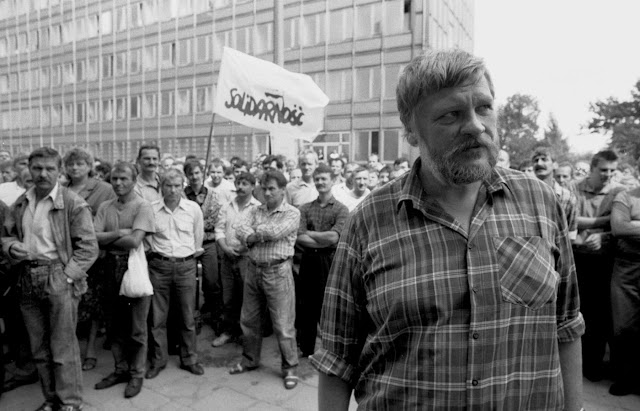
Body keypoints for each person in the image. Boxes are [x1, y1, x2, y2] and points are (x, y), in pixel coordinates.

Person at [311, 49, 584, 410]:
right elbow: (336, 356)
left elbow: (566, 325)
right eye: (451, 114)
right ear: (411, 130)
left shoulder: (541, 203)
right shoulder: (369, 220)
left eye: (483, 107)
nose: (475, 125)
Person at [2, 147, 99, 411]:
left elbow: (88, 248)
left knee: (63, 348)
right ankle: (51, 399)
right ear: (30, 170)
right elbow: (7, 235)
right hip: (27, 277)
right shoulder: (22, 202)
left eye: (49, 168)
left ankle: (70, 403)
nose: (42, 174)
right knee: (39, 349)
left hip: (58, 275)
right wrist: (11, 247)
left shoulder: (72, 202)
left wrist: (67, 278)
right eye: (37, 168)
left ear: (59, 171)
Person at [228, 170, 301, 390]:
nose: (267, 193)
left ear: (282, 190)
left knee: (283, 324)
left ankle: (290, 368)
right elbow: (237, 227)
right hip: (253, 269)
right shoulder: (255, 210)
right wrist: (255, 234)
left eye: (272, 188)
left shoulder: (292, 213)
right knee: (249, 320)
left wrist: (253, 235)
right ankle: (250, 360)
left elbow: (276, 232)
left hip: (277, 271)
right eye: (264, 188)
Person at [93, 162, 155, 398]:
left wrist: (106, 239)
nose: (118, 183)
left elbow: (134, 242)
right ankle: (120, 370)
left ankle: (136, 374)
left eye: (124, 179)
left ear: (134, 180)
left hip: (133, 268)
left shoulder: (143, 206)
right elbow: (92, 237)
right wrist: (119, 233)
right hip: (108, 269)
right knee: (115, 325)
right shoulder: (105, 206)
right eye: (114, 179)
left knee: (137, 328)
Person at [145, 168, 205, 379]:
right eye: (168, 186)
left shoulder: (193, 208)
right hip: (159, 266)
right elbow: (148, 238)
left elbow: (198, 237)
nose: (173, 190)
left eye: (177, 186)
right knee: (157, 317)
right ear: (161, 186)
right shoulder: (150, 209)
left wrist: (186, 258)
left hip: (186, 266)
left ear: (183, 186)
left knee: (187, 316)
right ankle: (158, 360)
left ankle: (189, 358)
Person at [573, 150, 625, 381]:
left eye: (612, 171)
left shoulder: (617, 191)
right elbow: (571, 219)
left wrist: (603, 235)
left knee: (600, 315)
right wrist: (607, 221)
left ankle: (593, 365)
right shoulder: (575, 187)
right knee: (578, 311)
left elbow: (620, 226)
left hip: (605, 260)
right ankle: (578, 364)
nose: (608, 175)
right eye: (603, 170)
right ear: (593, 169)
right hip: (577, 258)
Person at [63, 147, 116, 372]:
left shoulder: (103, 189)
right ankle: (71, 351)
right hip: (66, 255)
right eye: (71, 164)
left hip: (94, 255)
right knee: (69, 305)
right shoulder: (60, 189)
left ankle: (91, 350)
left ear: (89, 166)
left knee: (93, 305)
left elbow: (113, 217)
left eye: (80, 163)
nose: (75, 168)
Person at [296, 164, 348, 356]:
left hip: (329, 262)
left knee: (327, 305)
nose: (320, 182)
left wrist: (310, 233)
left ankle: (330, 349)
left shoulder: (341, 209)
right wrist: (321, 238)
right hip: (309, 261)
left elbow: (334, 238)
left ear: (332, 181)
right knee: (306, 305)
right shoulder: (305, 208)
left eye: (324, 178)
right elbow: (299, 237)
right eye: (317, 179)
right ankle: (306, 348)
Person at [212, 171, 261, 347]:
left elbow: (257, 233)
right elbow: (218, 230)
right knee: (228, 297)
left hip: (246, 259)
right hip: (227, 257)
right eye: (238, 183)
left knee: (247, 298)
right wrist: (225, 248)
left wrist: (243, 248)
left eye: (245, 183)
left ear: (253, 186)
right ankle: (227, 332)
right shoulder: (227, 206)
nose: (240, 187)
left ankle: (246, 335)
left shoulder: (258, 208)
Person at [609, 159, 640, 396]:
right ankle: (624, 379)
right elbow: (619, 228)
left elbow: (629, 227)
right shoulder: (625, 197)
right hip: (626, 268)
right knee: (623, 326)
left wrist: (635, 225)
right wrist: (629, 225)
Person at [184, 160, 223, 329]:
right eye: (191, 174)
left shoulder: (212, 194)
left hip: (208, 242)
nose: (194, 177)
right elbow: (182, 220)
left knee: (211, 280)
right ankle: (192, 316)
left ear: (203, 174)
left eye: (197, 173)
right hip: (187, 243)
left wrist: (197, 221)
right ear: (186, 176)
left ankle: (214, 314)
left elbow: (214, 218)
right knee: (190, 282)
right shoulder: (181, 194)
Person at [531, 144, 578, 240]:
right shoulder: (524, 192)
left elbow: (571, 233)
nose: (539, 163)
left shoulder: (567, 197)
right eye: (536, 160)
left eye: (544, 159)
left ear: (555, 165)